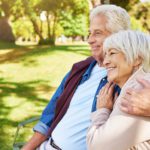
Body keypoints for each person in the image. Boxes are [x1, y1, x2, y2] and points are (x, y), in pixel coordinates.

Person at [22, 5, 149, 150]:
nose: (89, 40)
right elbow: (49, 118)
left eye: (97, 33)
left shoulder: (131, 79)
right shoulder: (79, 70)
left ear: (119, 35)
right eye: (89, 33)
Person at [87, 30, 150, 150]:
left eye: (112, 53)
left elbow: (96, 146)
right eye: (106, 54)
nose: (105, 62)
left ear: (137, 59)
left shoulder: (137, 92)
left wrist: (102, 111)